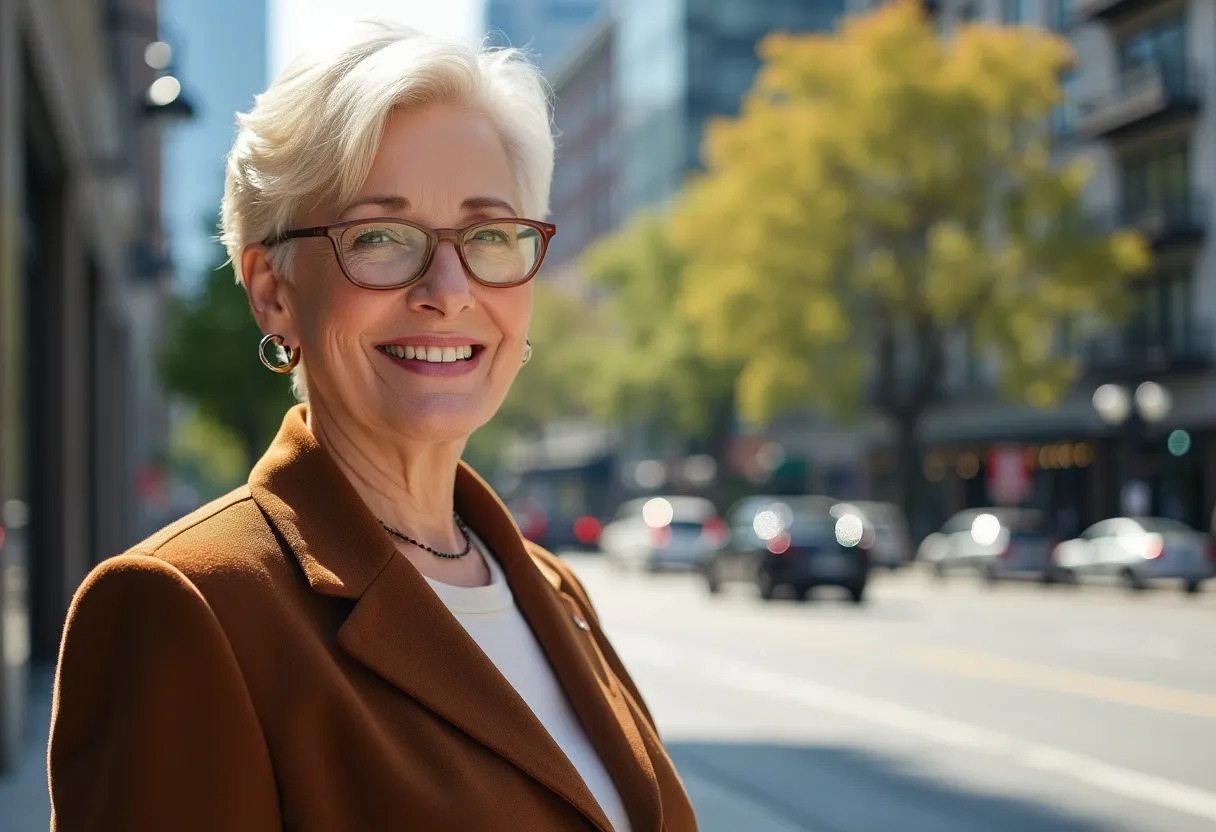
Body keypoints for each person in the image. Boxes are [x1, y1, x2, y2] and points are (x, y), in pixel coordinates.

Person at [48, 22, 697, 832]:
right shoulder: (187, 608)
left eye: (490, 234)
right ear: (272, 289)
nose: (448, 289)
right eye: (382, 237)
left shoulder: (552, 590)